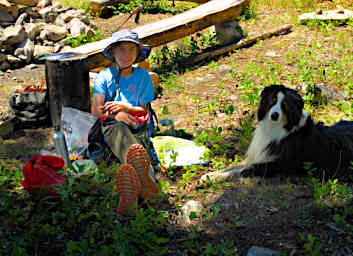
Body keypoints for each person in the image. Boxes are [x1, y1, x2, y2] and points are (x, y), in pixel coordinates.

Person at [91, 29, 158, 214]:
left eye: (131, 50)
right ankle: (146, 179)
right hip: (112, 125)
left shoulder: (143, 76)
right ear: (112, 52)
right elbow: (96, 110)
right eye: (121, 49)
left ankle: (132, 192)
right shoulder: (104, 76)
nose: (126, 55)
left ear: (137, 54)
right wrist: (116, 115)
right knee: (118, 128)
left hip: (137, 123)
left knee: (129, 130)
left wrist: (125, 108)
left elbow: (143, 110)